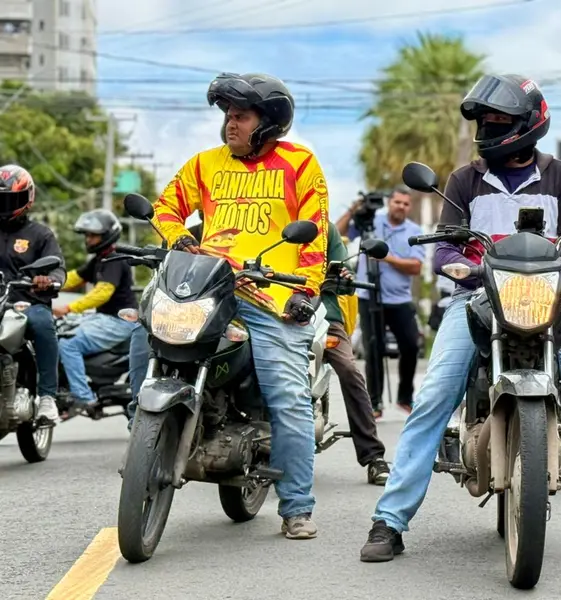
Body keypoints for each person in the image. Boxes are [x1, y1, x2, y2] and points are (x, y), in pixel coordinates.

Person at [360, 74, 561, 563]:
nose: (488, 127)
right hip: (475, 300)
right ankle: (389, 521)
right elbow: (445, 245)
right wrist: (459, 266)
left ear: (527, 124)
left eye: (498, 120)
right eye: (485, 120)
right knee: (431, 398)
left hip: (552, 304)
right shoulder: (463, 181)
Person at [127, 72, 328, 540]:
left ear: (268, 122)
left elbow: (313, 231)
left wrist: (307, 290)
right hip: (207, 284)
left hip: (271, 294)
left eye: (240, 116)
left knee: (288, 397)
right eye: (227, 117)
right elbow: (166, 208)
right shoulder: (205, 164)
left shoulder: (299, 164)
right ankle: (147, 430)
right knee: (146, 331)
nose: (230, 125)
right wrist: (179, 239)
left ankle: (296, 506)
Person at [336, 187, 424, 416]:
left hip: (400, 299)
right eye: (397, 202)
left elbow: (416, 266)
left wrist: (387, 258)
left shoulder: (414, 230)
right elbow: (338, 232)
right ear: (389, 202)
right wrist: (355, 208)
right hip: (368, 295)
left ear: (410, 207)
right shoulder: (370, 222)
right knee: (373, 348)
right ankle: (374, 402)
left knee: (411, 346)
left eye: (405, 204)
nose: (401, 207)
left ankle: (405, 397)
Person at [323, 222, 390, 484]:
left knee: (349, 370)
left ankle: (374, 456)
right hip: (267, 312)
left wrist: (345, 277)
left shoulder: (323, 228)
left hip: (322, 314)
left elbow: (345, 271)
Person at [54, 210, 137, 412]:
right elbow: (75, 277)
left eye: (93, 235)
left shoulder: (115, 258)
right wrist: (47, 282)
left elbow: (102, 293)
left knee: (69, 344)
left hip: (119, 321)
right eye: (87, 235)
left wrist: (68, 307)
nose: (88, 239)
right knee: (57, 331)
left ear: (107, 235)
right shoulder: (100, 258)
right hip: (104, 318)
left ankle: (84, 398)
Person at [0, 164, 65, 424]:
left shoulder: (41, 235)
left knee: (42, 323)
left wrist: (47, 280)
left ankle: (48, 398)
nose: (5, 205)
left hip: (27, 302)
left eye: (11, 199)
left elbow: (58, 267)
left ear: (28, 198)